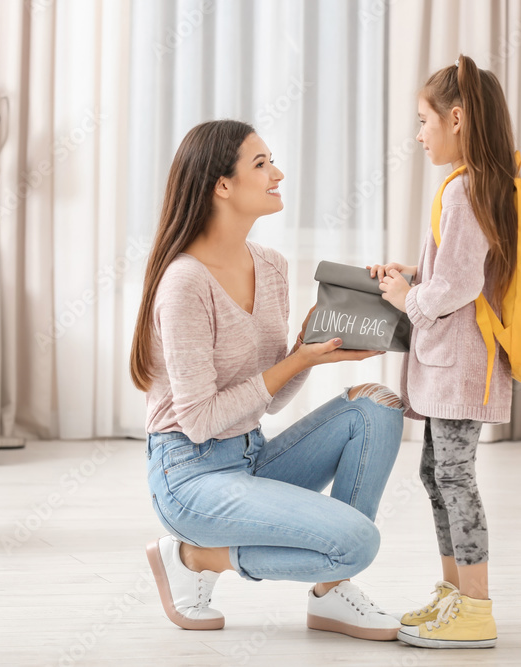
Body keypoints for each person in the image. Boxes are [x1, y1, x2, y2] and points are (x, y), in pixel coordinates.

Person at [131, 119, 406, 641]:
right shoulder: (185, 281)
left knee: (378, 405)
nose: (277, 173)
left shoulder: (272, 266)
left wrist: (313, 353)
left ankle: (331, 594)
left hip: (252, 455)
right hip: (191, 476)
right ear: (222, 186)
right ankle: (193, 555)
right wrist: (296, 360)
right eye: (261, 164)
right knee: (357, 542)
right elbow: (198, 421)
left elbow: (270, 401)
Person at [368, 54, 518, 649]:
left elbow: (460, 285)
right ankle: (456, 592)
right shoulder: (474, 183)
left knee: (454, 476)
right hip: (451, 361)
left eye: (424, 121)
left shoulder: (466, 189)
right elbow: (456, 270)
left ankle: (476, 608)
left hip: (461, 364)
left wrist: (411, 296)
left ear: (456, 119)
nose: (419, 133)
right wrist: (414, 274)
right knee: (437, 473)